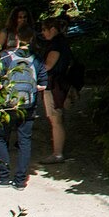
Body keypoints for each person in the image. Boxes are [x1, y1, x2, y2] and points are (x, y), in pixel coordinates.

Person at [0, 23, 42, 187]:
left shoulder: (5, 57)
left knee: (0, 137)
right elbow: (42, 84)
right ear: (32, 38)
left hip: (7, 104)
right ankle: (20, 181)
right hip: (28, 105)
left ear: (16, 38)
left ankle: (3, 176)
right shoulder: (36, 59)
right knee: (24, 141)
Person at [33, 15, 74, 163]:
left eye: (44, 30)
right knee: (57, 118)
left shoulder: (56, 44)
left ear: (52, 29)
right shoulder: (62, 42)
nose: (43, 33)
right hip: (60, 83)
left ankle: (57, 154)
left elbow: (48, 66)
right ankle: (57, 151)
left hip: (54, 84)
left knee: (55, 119)